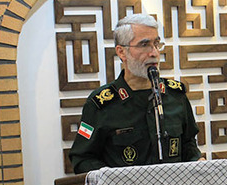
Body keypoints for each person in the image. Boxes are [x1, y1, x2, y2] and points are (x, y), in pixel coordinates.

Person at [69, 13, 204, 174]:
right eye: (144, 45)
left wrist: (197, 161)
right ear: (121, 52)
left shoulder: (175, 95)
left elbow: (188, 144)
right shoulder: (101, 104)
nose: (154, 53)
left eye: (156, 44)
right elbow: (82, 159)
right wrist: (113, 180)